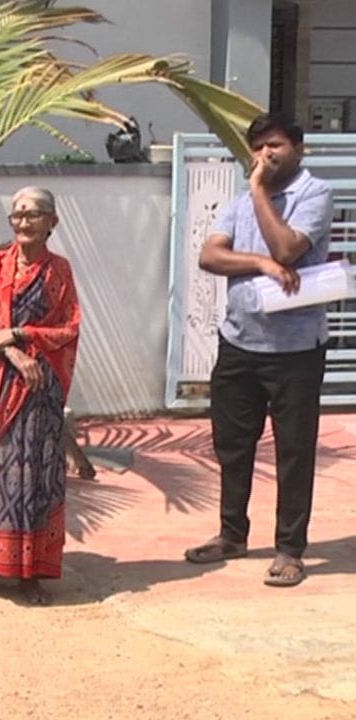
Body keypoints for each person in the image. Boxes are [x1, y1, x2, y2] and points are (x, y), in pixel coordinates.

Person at [183, 113, 333, 588]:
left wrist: (259, 193)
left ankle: (290, 549)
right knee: (232, 444)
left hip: (295, 350)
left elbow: (287, 248)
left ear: (298, 149)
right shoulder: (238, 202)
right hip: (239, 343)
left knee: (294, 450)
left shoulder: (314, 194)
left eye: (275, 145)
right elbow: (210, 256)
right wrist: (259, 263)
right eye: (258, 147)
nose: (265, 155)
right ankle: (232, 535)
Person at [0, 186, 80, 605]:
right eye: (18, 214)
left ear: (52, 222)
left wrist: (22, 333)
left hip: (38, 392)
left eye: (33, 214)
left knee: (34, 477)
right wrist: (10, 349)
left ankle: (30, 574)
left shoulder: (59, 271)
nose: (23, 222)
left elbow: (69, 328)